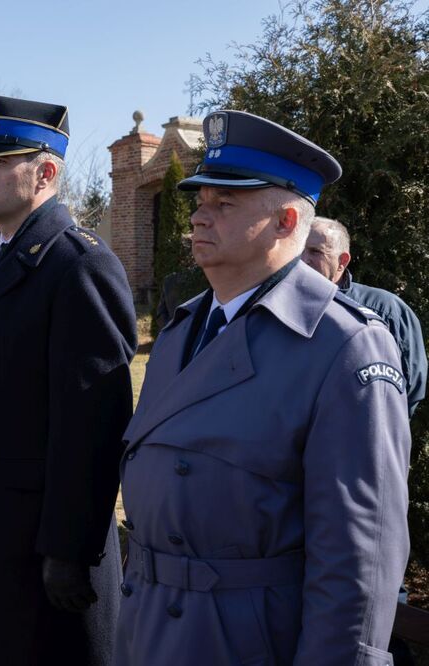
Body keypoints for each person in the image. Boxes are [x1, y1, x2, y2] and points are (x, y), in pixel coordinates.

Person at [115, 110, 410, 665]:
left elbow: (358, 560)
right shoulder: (181, 331)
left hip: (247, 642)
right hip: (150, 629)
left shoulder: (344, 346)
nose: (199, 216)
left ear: (285, 221)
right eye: (201, 200)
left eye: (225, 203)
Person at [0, 96, 137, 666]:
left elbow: (94, 424)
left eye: (0, 163)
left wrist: (68, 549)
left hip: (37, 548)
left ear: (45, 172)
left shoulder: (78, 264)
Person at [303, 216, 426, 416]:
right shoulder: (278, 304)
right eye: (298, 251)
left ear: (342, 261)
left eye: (315, 252)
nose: (303, 260)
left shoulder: (386, 310)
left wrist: (380, 423)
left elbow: (411, 385)